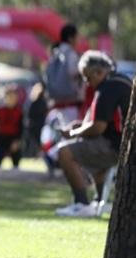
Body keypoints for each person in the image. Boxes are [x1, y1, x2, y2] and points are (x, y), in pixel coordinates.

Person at [54, 50, 130, 218]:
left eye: (88, 78)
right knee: (91, 154)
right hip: (122, 143)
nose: (88, 83)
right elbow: (108, 122)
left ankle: (81, 204)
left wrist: (74, 133)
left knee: (64, 152)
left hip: (117, 146)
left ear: (99, 72)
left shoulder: (107, 89)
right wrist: (81, 127)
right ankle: (100, 200)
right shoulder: (121, 80)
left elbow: (98, 128)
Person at [0, 85, 24, 170]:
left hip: (14, 137)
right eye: (9, 96)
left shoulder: (19, 111)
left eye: (14, 96)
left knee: (16, 160)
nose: (12, 98)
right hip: (2, 137)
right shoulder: (0, 110)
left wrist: (17, 141)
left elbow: (22, 128)